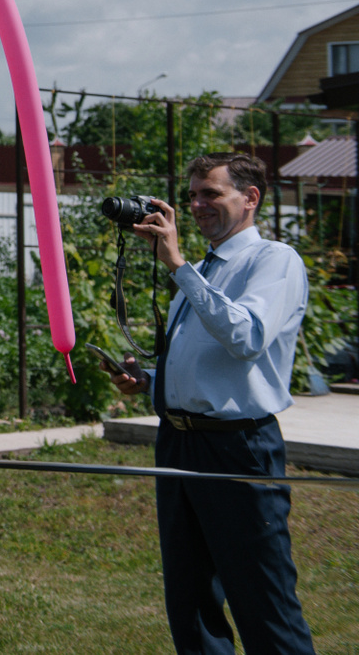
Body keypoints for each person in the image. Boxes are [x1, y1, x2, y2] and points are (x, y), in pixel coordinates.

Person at [106, 153, 316, 655]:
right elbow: (205, 362)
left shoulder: (273, 260)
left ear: (250, 198)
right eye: (193, 195)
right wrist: (148, 379)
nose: (197, 205)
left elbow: (246, 338)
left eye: (211, 194)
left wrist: (178, 267)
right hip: (178, 443)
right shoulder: (199, 272)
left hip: (237, 447)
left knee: (262, 599)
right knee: (190, 599)